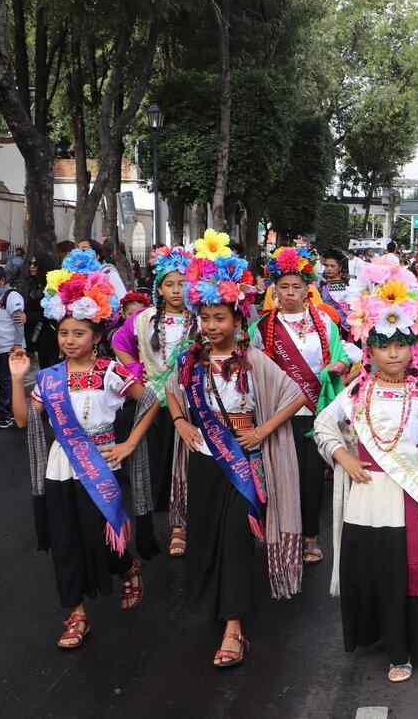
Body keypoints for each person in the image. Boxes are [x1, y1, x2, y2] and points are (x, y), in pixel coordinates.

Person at [163, 229, 306, 668]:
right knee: (207, 538)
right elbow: (169, 390)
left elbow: (298, 394)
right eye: (205, 317)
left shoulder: (254, 360)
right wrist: (181, 421)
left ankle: (234, 628)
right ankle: (219, 607)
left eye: (219, 318)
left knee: (236, 542)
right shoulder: (190, 360)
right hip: (206, 462)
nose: (211, 326)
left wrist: (262, 432)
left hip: (245, 466)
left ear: (237, 320)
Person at [312, 255, 418, 683]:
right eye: (383, 345)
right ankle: (375, 634)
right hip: (367, 496)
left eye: (401, 344)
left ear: (413, 347)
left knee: (402, 574)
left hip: (411, 496)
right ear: (369, 349)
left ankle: (402, 650)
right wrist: (344, 457)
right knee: (370, 573)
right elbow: (323, 425)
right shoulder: (357, 391)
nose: (393, 353)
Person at [10, 249, 160, 649]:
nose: (69, 340)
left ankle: (127, 566)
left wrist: (129, 443)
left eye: (78, 333)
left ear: (96, 337)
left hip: (101, 463)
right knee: (65, 541)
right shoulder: (49, 378)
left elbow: (150, 401)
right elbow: (25, 420)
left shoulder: (109, 372)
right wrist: (17, 379)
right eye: (63, 333)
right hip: (61, 466)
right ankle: (75, 614)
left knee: (100, 539)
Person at [257, 245, 358, 566]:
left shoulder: (324, 323)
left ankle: (311, 536)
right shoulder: (261, 327)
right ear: (274, 289)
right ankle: (283, 534)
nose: (289, 293)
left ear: (308, 289)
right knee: (279, 477)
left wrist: (338, 368)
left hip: (315, 412)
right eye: (283, 287)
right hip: (278, 413)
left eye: (296, 287)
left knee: (311, 477)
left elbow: (341, 355)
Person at [112, 245, 197, 555]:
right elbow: (118, 343)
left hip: (191, 403)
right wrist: (137, 372)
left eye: (183, 282)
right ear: (159, 288)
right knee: (152, 464)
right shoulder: (145, 318)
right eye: (170, 284)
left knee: (185, 465)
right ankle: (151, 522)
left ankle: (180, 527)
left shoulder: (201, 316)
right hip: (152, 403)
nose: (177, 290)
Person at [0, 264, 27, 430]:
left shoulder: (12, 296)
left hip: (9, 347)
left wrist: (17, 344)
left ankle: (6, 415)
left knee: (7, 382)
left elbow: (18, 321)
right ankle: (14, 412)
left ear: (2, 281)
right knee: (6, 382)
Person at [21, 255, 61, 369]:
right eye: (30, 264)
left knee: (52, 367)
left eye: (35, 264)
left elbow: (52, 311)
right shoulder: (31, 283)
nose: (32, 267)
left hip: (49, 333)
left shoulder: (52, 286)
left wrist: (29, 317)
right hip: (36, 333)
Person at [320, 248, 352, 328]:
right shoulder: (325, 284)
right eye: (326, 266)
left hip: (342, 326)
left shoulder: (341, 286)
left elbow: (347, 308)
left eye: (332, 266)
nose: (329, 269)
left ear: (340, 267)